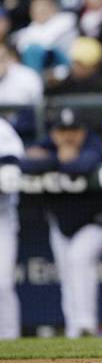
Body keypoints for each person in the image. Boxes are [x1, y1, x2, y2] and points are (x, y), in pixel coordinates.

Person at [21, 108, 102, 338]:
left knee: (78, 259)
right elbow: (24, 163)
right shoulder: (49, 144)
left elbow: (83, 166)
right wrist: (58, 158)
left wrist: (51, 161)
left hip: (96, 222)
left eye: (73, 130)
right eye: (62, 131)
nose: (68, 136)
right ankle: (74, 329)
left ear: (82, 131)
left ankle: (85, 324)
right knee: (68, 271)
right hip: (62, 224)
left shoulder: (93, 143)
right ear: (54, 133)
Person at [0, 117, 24, 338]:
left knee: (2, 284)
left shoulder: (2, 128)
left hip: (2, 216)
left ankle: (8, 341)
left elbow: (10, 176)